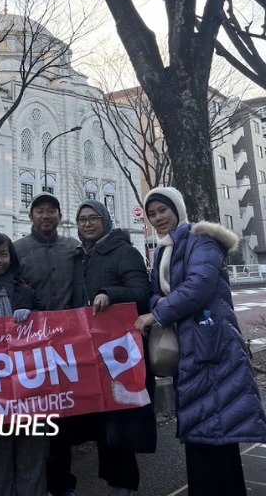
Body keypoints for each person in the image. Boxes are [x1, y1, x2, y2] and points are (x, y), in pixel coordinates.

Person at [135, 186, 266, 496]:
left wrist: (158, 314)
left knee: (215, 428)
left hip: (212, 345)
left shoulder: (200, 239)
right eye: (152, 214)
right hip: (189, 348)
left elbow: (199, 285)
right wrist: (159, 304)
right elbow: (158, 293)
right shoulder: (167, 247)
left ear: (177, 208)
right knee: (203, 430)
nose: (157, 218)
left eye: (162, 210)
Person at [71, 200, 155, 496]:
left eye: (94, 218)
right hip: (95, 354)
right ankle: (114, 486)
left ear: (106, 220)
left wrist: (110, 293)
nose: (88, 224)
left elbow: (142, 294)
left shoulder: (124, 252)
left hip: (122, 355)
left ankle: (125, 489)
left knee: (121, 426)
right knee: (105, 424)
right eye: (82, 219)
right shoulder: (83, 255)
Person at [0, 232, 46, 496]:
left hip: (28, 388)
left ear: (11, 258)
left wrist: (34, 315)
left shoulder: (25, 290)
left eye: (3, 254)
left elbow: (50, 330)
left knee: (32, 455)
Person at [14, 194, 78, 496]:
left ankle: (62, 483)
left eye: (51, 210)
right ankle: (31, 483)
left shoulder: (73, 249)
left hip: (66, 345)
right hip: (30, 347)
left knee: (61, 416)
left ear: (59, 215)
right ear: (31, 217)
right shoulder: (17, 251)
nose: (46, 216)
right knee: (33, 416)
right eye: (40, 211)